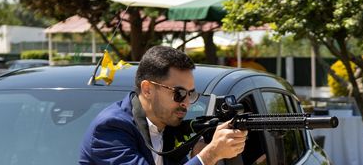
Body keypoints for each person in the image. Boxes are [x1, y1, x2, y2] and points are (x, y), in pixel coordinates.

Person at [79, 45, 248, 165]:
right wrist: (209, 155)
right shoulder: (111, 128)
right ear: (147, 89)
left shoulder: (166, 126)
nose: (186, 103)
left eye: (191, 94)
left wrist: (199, 156)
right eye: (179, 93)